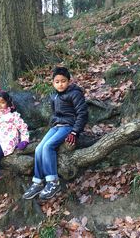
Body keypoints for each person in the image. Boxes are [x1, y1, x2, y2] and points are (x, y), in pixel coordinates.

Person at [23, 66, 88, 200]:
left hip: (69, 126)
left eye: (63, 81)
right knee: (39, 149)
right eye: (57, 82)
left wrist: (75, 132)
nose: (60, 84)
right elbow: (55, 113)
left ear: (69, 81)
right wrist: (54, 124)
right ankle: (37, 182)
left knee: (48, 147)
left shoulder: (75, 93)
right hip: (56, 126)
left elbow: (82, 114)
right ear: (53, 83)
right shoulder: (54, 95)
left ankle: (53, 182)